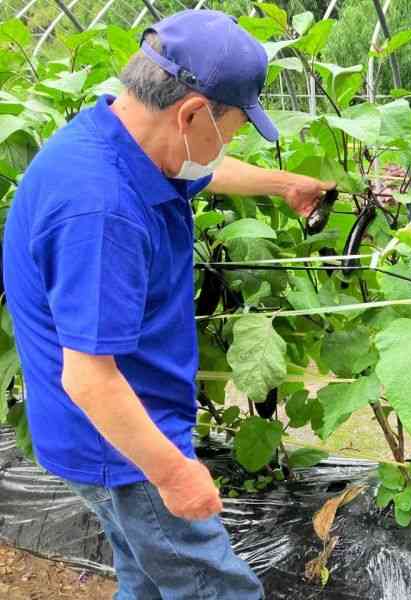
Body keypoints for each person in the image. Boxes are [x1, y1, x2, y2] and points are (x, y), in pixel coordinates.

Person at [2, 10, 333, 599]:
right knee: (219, 589)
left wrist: (283, 184)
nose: (225, 144)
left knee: (148, 580)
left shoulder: (123, 137)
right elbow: (89, 379)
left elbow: (207, 167)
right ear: (190, 113)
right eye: (230, 129)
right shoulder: (101, 210)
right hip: (121, 443)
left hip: (124, 426)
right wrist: (174, 475)